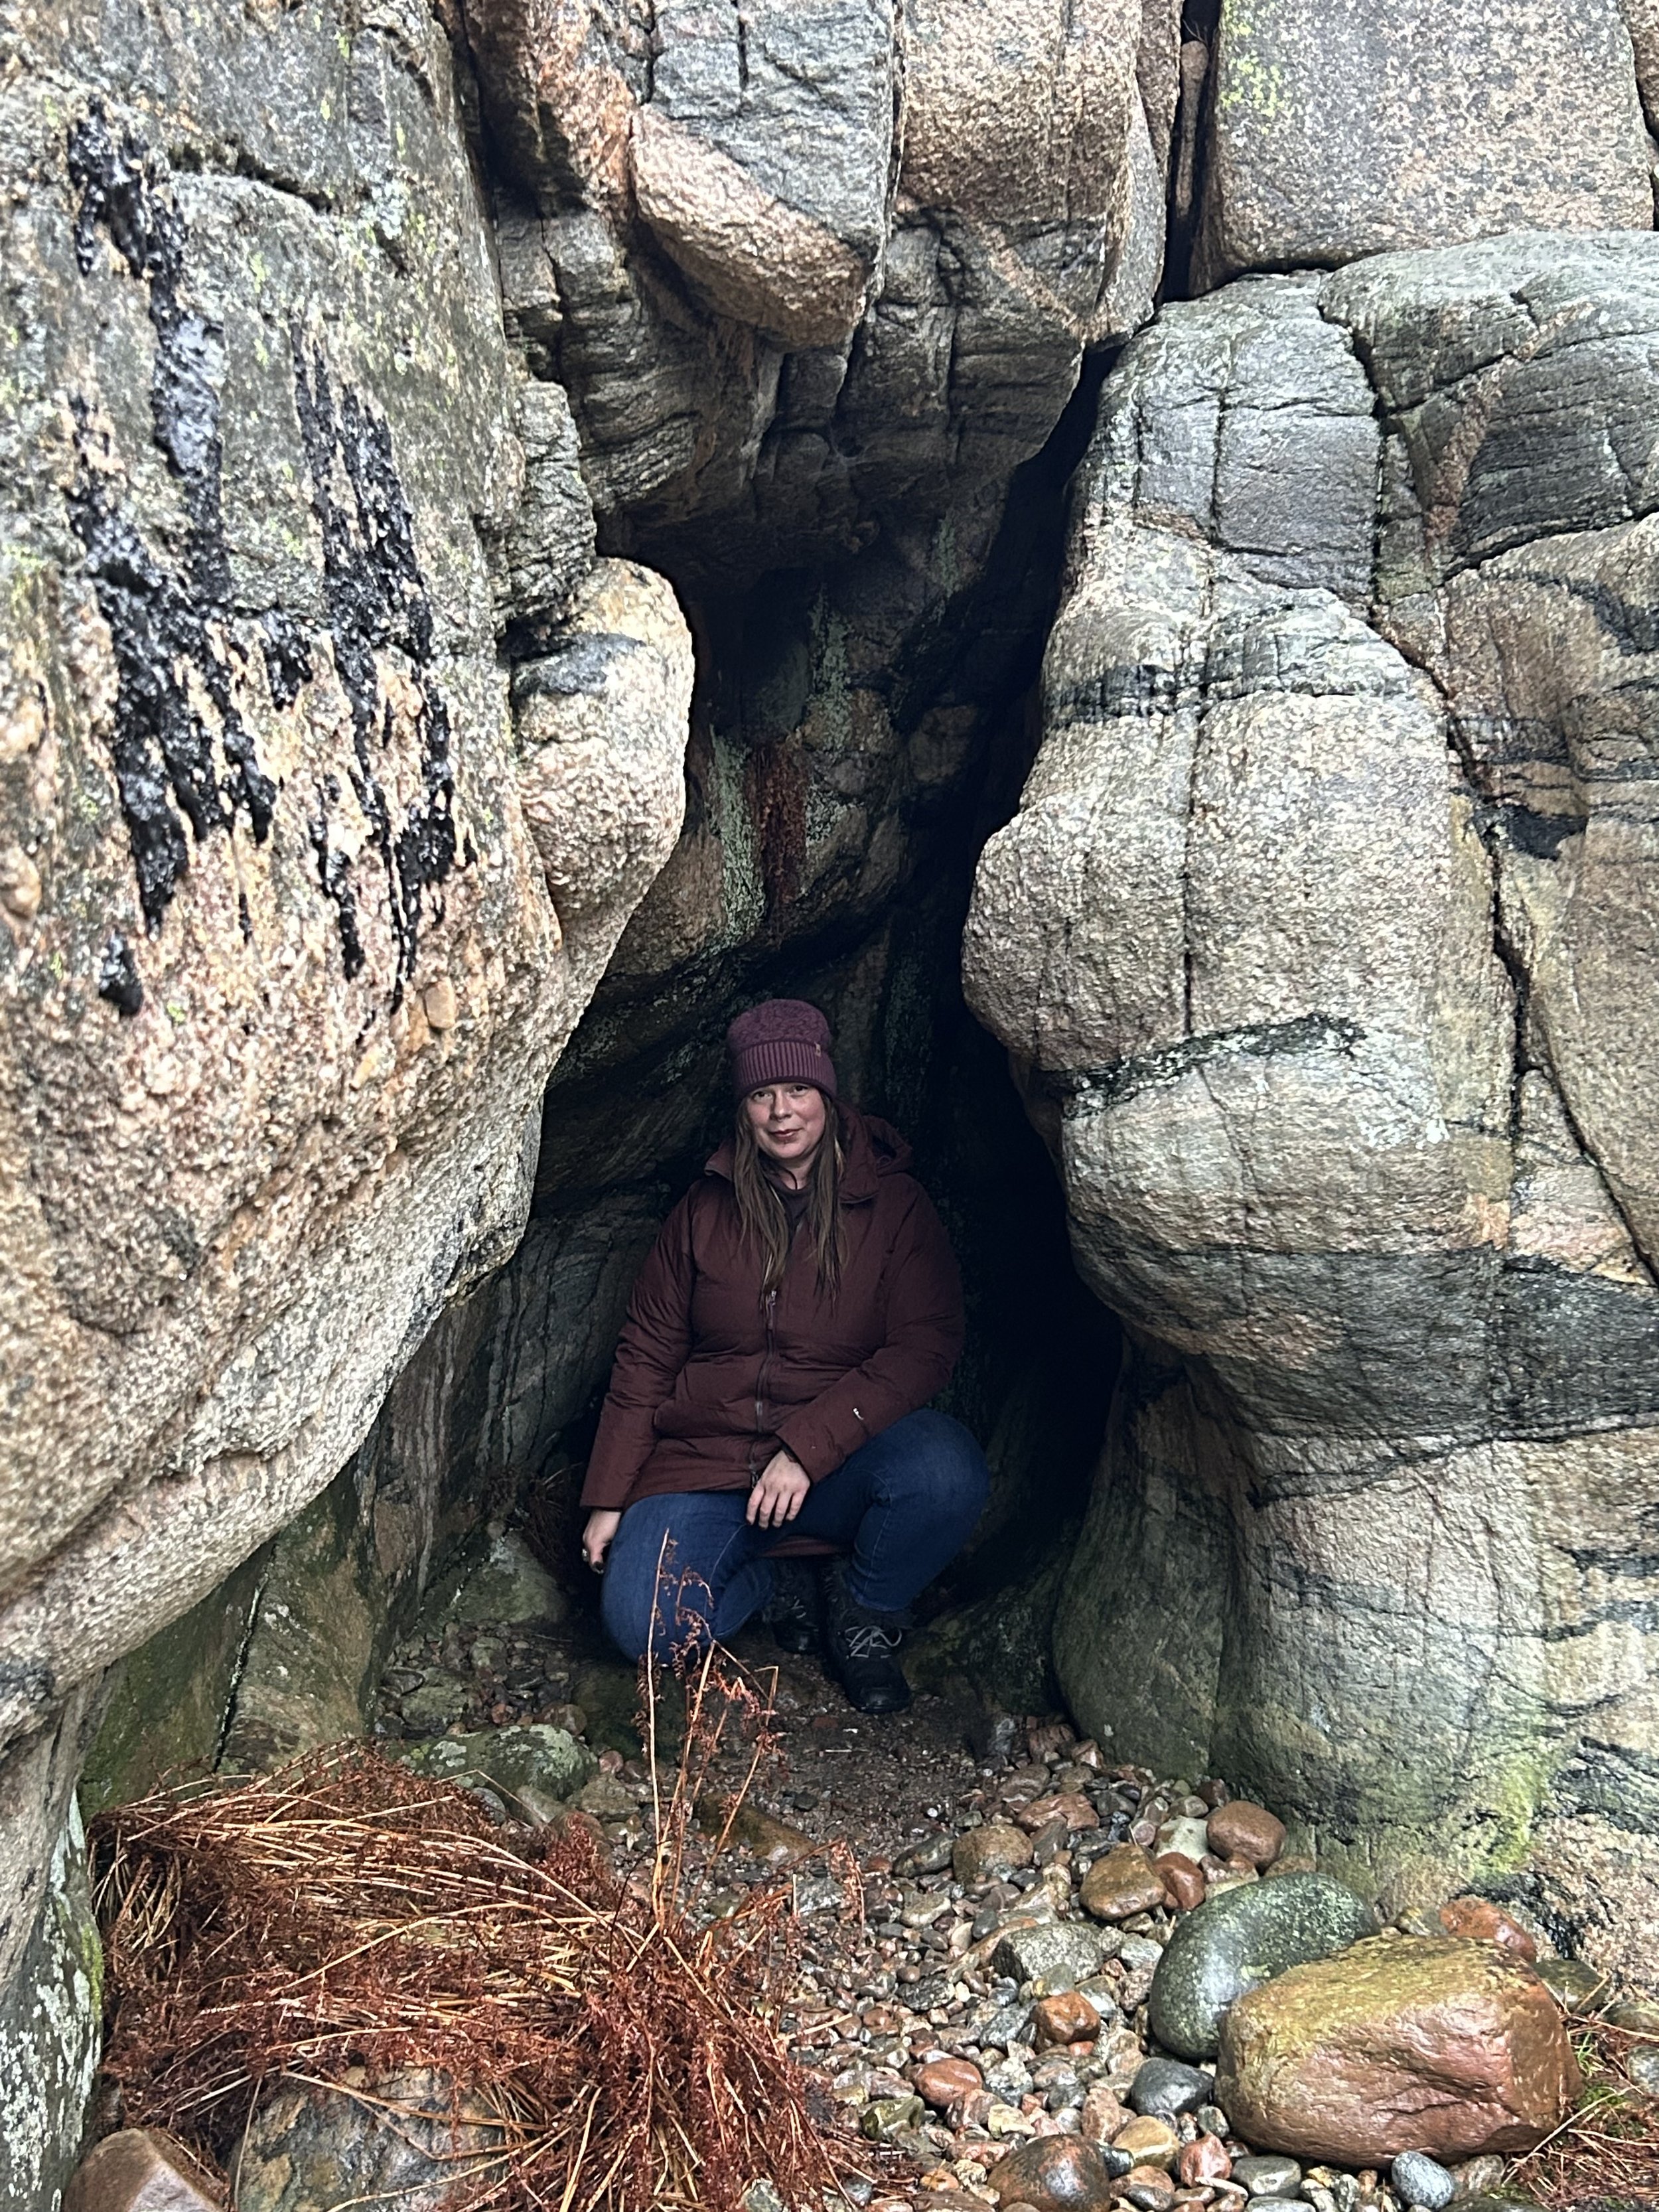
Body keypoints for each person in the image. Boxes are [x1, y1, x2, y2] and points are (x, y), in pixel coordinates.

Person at [579, 998, 988, 1713]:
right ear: (743, 1109)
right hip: (708, 1463)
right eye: (761, 1095)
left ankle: (860, 1605)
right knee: (643, 1627)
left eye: (797, 1089)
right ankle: (775, 1581)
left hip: (839, 1466)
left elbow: (926, 1343)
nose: (781, 1112)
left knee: (944, 1470)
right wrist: (608, 1498)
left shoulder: (895, 1206)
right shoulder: (703, 1210)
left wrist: (806, 1448)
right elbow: (646, 1354)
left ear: (826, 1091)